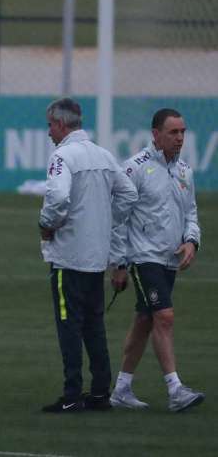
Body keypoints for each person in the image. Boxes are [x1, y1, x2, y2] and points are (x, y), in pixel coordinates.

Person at [38, 97, 138, 413]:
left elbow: (57, 197)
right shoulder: (103, 155)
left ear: (61, 123)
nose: (49, 132)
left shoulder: (62, 156)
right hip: (96, 257)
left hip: (68, 257)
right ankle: (99, 392)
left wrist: (46, 225)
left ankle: (71, 395)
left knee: (69, 325)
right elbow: (129, 194)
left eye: (50, 125)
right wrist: (106, 220)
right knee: (94, 325)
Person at [108, 108, 204, 412]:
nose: (179, 138)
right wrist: (119, 263)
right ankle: (175, 390)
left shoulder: (185, 171)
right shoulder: (134, 169)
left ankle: (121, 389)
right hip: (142, 257)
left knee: (145, 319)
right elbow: (117, 219)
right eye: (173, 132)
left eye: (182, 132)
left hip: (169, 260)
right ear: (155, 134)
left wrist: (191, 241)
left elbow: (191, 214)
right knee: (164, 316)